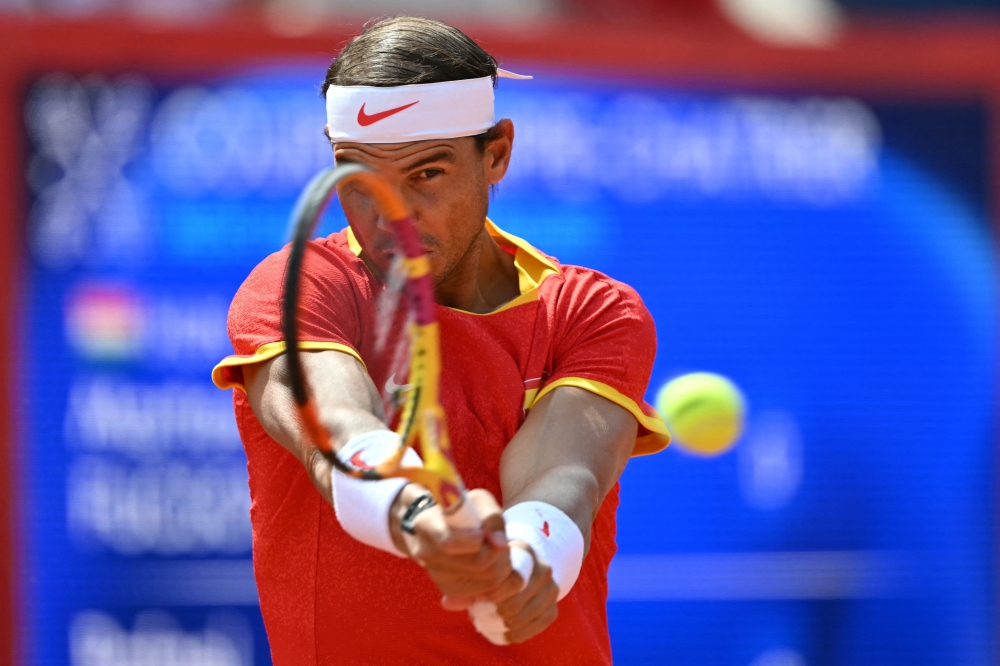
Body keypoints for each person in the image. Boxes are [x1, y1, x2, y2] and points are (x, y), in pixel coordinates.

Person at [212, 15, 669, 665]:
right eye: (357, 176)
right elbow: (334, 432)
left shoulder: (594, 311)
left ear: (497, 154)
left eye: (426, 174)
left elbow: (565, 474)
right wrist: (415, 515)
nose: (389, 214)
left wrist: (524, 555)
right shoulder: (299, 285)